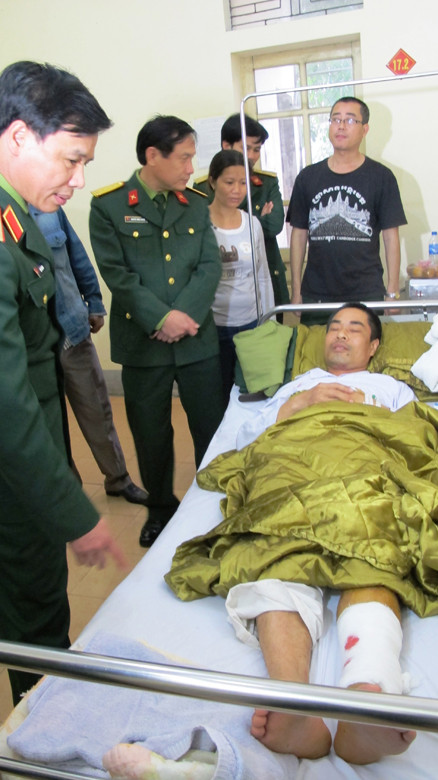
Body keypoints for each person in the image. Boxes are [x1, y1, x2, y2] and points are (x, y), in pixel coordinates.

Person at [166, 303, 422, 764]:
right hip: (290, 468)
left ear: (374, 346)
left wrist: (371, 413)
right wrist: (297, 405)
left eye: (354, 329)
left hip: (363, 465)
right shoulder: (298, 385)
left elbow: (420, 442)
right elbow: (245, 441)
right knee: (274, 550)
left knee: (375, 551)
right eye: (334, 327)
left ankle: (368, 692)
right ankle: (293, 701)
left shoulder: (391, 388)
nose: (340, 335)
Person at [0, 60, 125, 706]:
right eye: (72, 160)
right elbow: (8, 403)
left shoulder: (17, 220)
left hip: (30, 465)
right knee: (36, 618)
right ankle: (42, 733)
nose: (79, 180)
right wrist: (73, 514)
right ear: (20, 136)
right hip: (15, 480)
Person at [89, 115, 224, 548]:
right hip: (143, 344)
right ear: (152, 155)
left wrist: (183, 315)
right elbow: (117, 274)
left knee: (210, 428)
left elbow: (209, 266)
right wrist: (161, 318)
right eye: (183, 158)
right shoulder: (109, 206)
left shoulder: (197, 202)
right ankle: (161, 509)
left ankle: (212, 508)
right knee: (150, 434)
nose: (190, 167)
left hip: (197, 340)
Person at [29, 206, 149, 506]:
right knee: (49, 422)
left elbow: (76, 255)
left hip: (71, 329)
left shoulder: (48, 208)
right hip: (32, 343)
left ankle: (118, 479)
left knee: (97, 410)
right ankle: (69, 492)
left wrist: (93, 302)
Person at [287, 96, 407, 325]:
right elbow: (299, 234)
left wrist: (392, 290)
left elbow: (391, 236)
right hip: (317, 294)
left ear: (365, 129)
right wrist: (296, 290)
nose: (341, 126)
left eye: (350, 120)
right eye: (336, 119)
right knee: (316, 348)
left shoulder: (381, 177)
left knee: (364, 347)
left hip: (365, 293)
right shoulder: (308, 177)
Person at [194, 114, 288, 316]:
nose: (252, 156)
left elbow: (274, 225)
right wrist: (255, 220)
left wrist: (252, 223)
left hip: (265, 279)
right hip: (219, 292)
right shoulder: (202, 187)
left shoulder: (267, 183)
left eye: (257, 149)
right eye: (246, 148)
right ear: (226, 146)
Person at [208, 149, 274, 408]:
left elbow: (262, 275)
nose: (237, 190)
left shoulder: (252, 224)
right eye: (229, 182)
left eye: (243, 183)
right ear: (212, 181)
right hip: (215, 327)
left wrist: (268, 321)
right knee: (219, 397)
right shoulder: (200, 224)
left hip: (251, 324)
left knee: (252, 397)